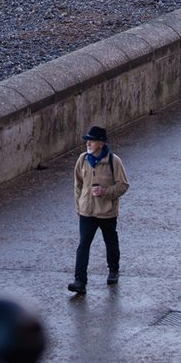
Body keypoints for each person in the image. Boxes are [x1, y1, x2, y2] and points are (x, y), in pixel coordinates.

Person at [68, 125, 129, 294]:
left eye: (92, 141)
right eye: (87, 140)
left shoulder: (113, 161)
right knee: (83, 245)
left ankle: (113, 270)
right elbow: (78, 184)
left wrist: (105, 192)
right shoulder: (82, 159)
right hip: (86, 211)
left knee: (110, 241)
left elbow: (123, 185)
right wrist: (78, 205)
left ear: (101, 144)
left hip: (106, 211)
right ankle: (80, 281)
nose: (88, 143)